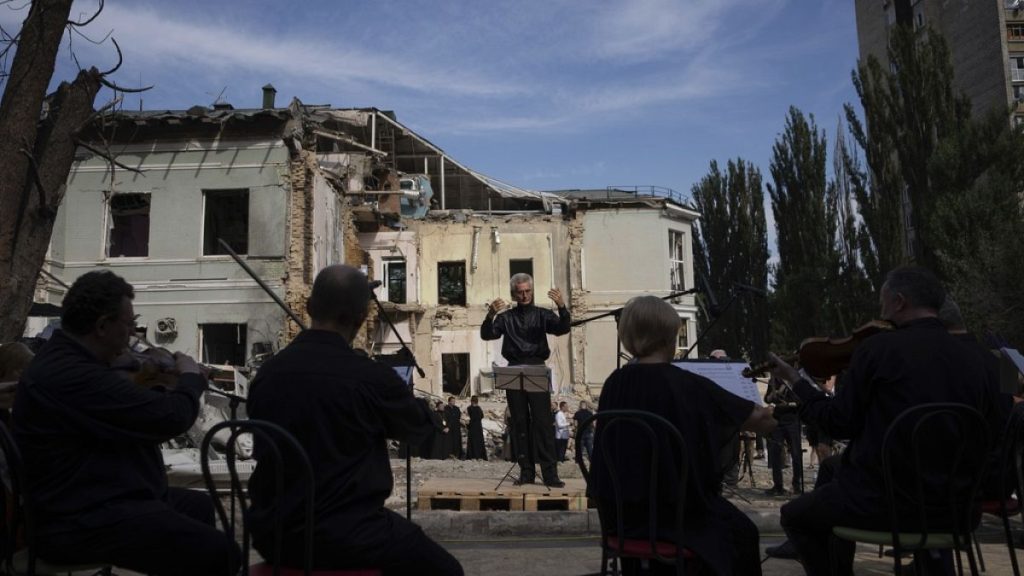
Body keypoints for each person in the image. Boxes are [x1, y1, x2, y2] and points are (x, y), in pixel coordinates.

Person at [767, 266, 999, 575]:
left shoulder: (877, 350)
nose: (881, 312)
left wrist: (796, 381)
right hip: (958, 511)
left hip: (883, 505)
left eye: (883, 303)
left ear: (899, 302)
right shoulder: (981, 360)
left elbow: (838, 423)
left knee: (797, 516)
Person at [12, 270, 240, 576]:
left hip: (100, 499)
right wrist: (190, 377)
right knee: (223, 553)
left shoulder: (69, 361)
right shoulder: (74, 375)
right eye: (129, 325)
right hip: (80, 519)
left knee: (198, 507)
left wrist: (154, 382)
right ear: (102, 326)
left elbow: (128, 412)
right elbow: (170, 418)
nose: (132, 335)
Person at [247, 265, 463, 575]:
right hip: (349, 535)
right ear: (360, 318)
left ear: (309, 307)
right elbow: (419, 429)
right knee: (447, 570)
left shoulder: (267, 374)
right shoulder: (369, 377)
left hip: (275, 534)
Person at [591, 296, 777, 575]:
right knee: (744, 532)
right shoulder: (687, 383)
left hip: (621, 518)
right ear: (669, 336)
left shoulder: (613, 383)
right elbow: (762, 421)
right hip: (678, 520)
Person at [480, 273, 570, 487]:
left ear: (532, 291)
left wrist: (561, 306)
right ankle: (526, 472)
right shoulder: (505, 317)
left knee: (543, 424)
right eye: (520, 292)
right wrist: (490, 314)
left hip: (537, 368)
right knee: (520, 424)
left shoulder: (543, 314)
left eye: (527, 291)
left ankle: (550, 474)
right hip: (514, 369)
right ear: (514, 294)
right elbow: (487, 334)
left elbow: (562, 328)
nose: (524, 295)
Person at [764, 375, 803, 496]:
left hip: (792, 421)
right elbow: (767, 399)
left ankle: (797, 485)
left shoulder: (793, 381)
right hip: (777, 421)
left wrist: (786, 403)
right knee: (775, 452)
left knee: (796, 453)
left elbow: (799, 401)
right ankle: (778, 486)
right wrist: (772, 395)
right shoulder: (774, 381)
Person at [465, 395, 487, 460]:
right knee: (479, 441)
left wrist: (468, 424)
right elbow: (482, 416)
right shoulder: (479, 408)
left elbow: (470, 417)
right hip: (478, 426)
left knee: (472, 441)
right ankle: (479, 455)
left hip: (472, 426)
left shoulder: (470, 408)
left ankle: (472, 455)